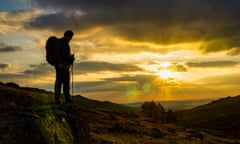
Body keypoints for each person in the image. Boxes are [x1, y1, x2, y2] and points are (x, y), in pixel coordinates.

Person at [54, 30, 74, 104]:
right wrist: (59, 62)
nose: (71, 38)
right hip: (60, 66)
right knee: (59, 82)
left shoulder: (66, 43)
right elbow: (57, 53)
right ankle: (58, 99)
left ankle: (67, 99)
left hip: (65, 66)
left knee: (66, 82)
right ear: (68, 36)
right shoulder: (60, 42)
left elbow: (65, 55)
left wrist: (70, 59)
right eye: (71, 36)